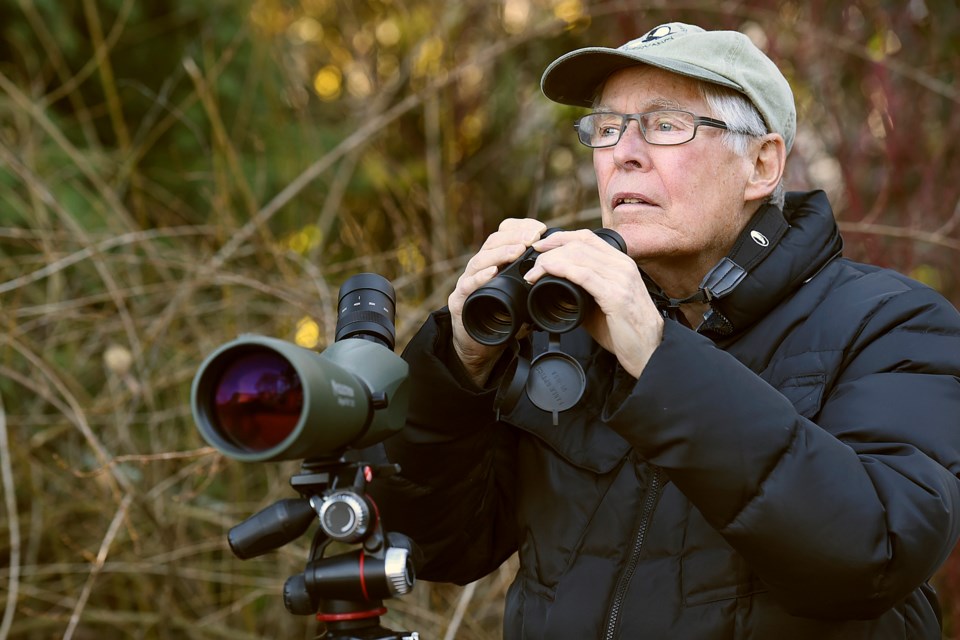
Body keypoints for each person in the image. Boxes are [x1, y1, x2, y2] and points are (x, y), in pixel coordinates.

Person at [367, 22, 960, 639]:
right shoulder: (562, 323)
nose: (623, 152)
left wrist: (658, 356)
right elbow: (433, 546)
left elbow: (872, 555)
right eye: (607, 128)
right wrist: (458, 368)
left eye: (666, 124)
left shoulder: (897, 324)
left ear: (762, 164)